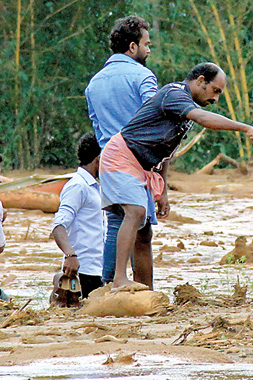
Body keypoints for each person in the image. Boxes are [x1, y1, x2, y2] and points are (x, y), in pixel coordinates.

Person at [100, 62, 253, 290]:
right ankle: (119, 279)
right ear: (200, 81)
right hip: (121, 157)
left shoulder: (183, 109)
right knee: (136, 212)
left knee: (145, 230)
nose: (216, 99)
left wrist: (163, 192)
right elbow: (205, 119)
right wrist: (246, 128)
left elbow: (165, 152)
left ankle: (146, 290)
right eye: (215, 91)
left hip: (144, 166)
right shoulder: (174, 94)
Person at [85, 15, 157, 285]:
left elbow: (97, 127)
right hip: (135, 161)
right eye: (146, 44)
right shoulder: (143, 76)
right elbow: (156, 118)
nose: (148, 50)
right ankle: (119, 283)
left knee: (128, 225)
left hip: (108, 162)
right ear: (132, 47)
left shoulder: (94, 83)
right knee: (136, 221)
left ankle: (112, 285)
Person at [51, 132, 106, 299]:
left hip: (97, 270)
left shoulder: (95, 187)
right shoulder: (77, 186)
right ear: (99, 158)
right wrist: (70, 255)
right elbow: (59, 226)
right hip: (84, 271)